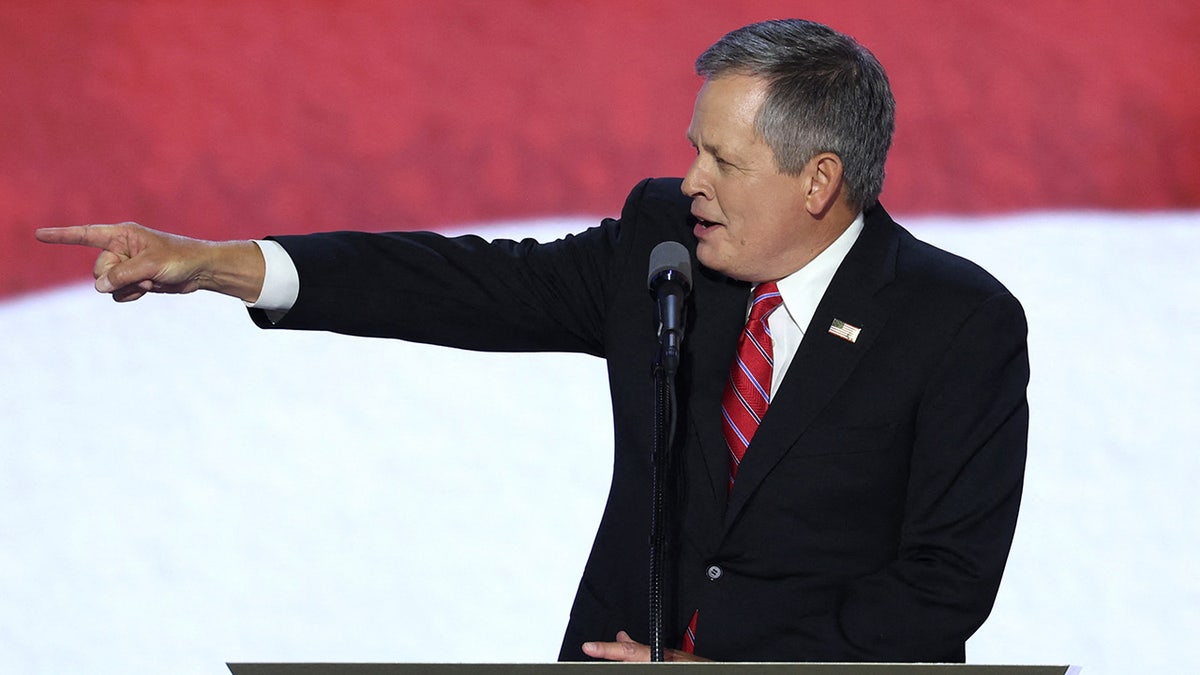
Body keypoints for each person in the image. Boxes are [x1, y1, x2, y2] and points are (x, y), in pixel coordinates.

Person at [36, 19, 1028, 663]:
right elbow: (466, 285)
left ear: (818, 182)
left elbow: (942, 588)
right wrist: (220, 265)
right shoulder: (664, 248)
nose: (689, 179)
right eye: (692, 147)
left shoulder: (957, 324)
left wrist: (723, 661)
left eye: (721, 158)